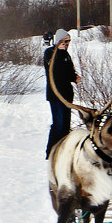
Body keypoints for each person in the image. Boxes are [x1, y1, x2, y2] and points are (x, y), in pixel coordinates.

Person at [43, 29, 79, 159]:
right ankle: (51, 152)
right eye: (65, 41)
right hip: (55, 95)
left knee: (65, 125)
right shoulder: (50, 53)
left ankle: (62, 152)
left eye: (69, 41)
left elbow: (69, 72)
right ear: (59, 41)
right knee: (58, 124)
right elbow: (52, 69)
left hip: (67, 95)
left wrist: (75, 77)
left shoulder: (66, 55)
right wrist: (58, 50)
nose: (67, 43)